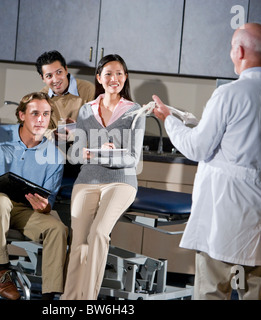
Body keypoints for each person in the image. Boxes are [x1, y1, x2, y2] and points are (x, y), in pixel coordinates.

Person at [152, 23, 261, 300]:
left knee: (212, 291)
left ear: (240, 50)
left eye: (232, 48)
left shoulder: (229, 94)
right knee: (255, 293)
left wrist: (169, 121)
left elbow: (197, 148)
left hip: (226, 214)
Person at [0, 92, 68, 300]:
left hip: (23, 209)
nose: (40, 119)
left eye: (46, 114)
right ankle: (0, 267)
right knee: (0, 201)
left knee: (58, 229)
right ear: (21, 115)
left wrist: (44, 207)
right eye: (35, 113)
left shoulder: (55, 156)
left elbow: (49, 201)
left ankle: (49, 297)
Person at [61, 54, 146, 300]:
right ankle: (69, 300)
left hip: (121, 181)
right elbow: (76, 154)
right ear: (99, 78)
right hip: (87, 181)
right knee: (79, 241)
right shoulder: (87, 110)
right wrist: (89, 152)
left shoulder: (135, 112)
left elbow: (131, 158)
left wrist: (97, 155)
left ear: (125, 77)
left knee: (98, 233)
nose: (114, 79)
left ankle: (87, 299)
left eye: (119, 73)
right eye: (108, 73)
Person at [35, 50, 95, 134]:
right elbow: (42, 131)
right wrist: (58, 133)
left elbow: (94, 127)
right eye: (49, 76)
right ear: (42, 78)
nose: (55, 80)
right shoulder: (42, 97)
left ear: (66, 70)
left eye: (59, 72)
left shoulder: (88, 89)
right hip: (56, 145)